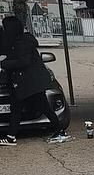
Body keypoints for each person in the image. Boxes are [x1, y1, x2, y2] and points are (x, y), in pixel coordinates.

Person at [0, 16, 64, 146]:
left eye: (5, 27)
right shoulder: (17, 41)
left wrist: (4, 63)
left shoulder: (22, 42)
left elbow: (24, 61)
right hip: (26, 82)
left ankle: (59, 131)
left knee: (38, 106)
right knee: (25, 107)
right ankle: (11, 137)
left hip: (29, 82)